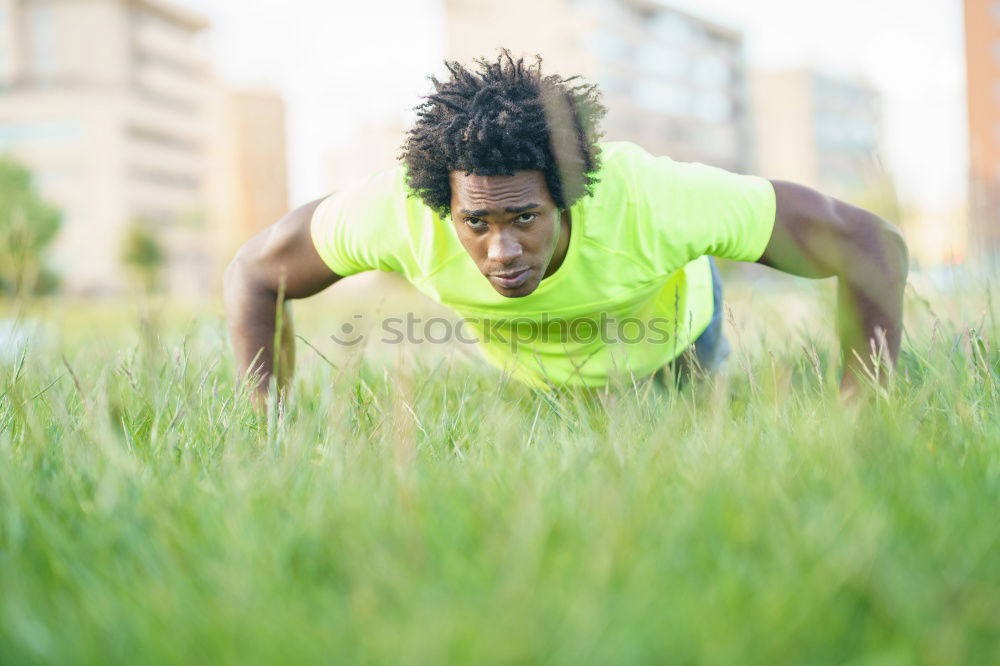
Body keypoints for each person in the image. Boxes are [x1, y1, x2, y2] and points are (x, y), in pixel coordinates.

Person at [224, 52, 908, 403]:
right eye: (476, 223)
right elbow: (253, 275)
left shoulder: (657, 199)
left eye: (525, 216)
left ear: (571, 197)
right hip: (537, 375)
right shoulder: (396, 213)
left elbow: (874, 245)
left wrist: (864, 402)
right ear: (446, 208)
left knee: (691, 427)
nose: (502, 249)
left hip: (671, 342)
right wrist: (268, 424)